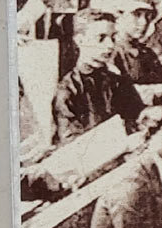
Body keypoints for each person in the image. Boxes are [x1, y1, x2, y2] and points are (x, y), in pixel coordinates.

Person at [52, 9, 145, 144]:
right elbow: (72, 143)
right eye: (101, 38)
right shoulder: (68, 89)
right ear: (80, 40)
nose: (110, 45)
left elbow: (138, 120)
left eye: (113, 38)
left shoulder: (120, 83)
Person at [110, 0, 162, 85]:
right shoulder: (110, 52)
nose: (144, 22)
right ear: (119, 17)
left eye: (148, 16)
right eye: (137, 15)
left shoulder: (148, 54)